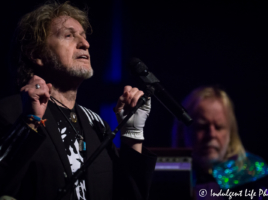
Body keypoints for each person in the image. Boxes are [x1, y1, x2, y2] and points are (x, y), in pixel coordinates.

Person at [0, 2, 156, 200]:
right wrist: (29, 121)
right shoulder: (9, 112)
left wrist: (132, 136)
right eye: (69, 35)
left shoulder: (96, 123)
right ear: (36, 54)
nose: (85, 44)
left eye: (83, 35)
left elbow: (129, 196)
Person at [172, 86, 268, 200]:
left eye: (219, 127)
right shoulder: (169, 176)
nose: (211, 134)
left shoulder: (254, 174)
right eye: (201, 126)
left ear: (231, 132)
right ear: (183, 131)